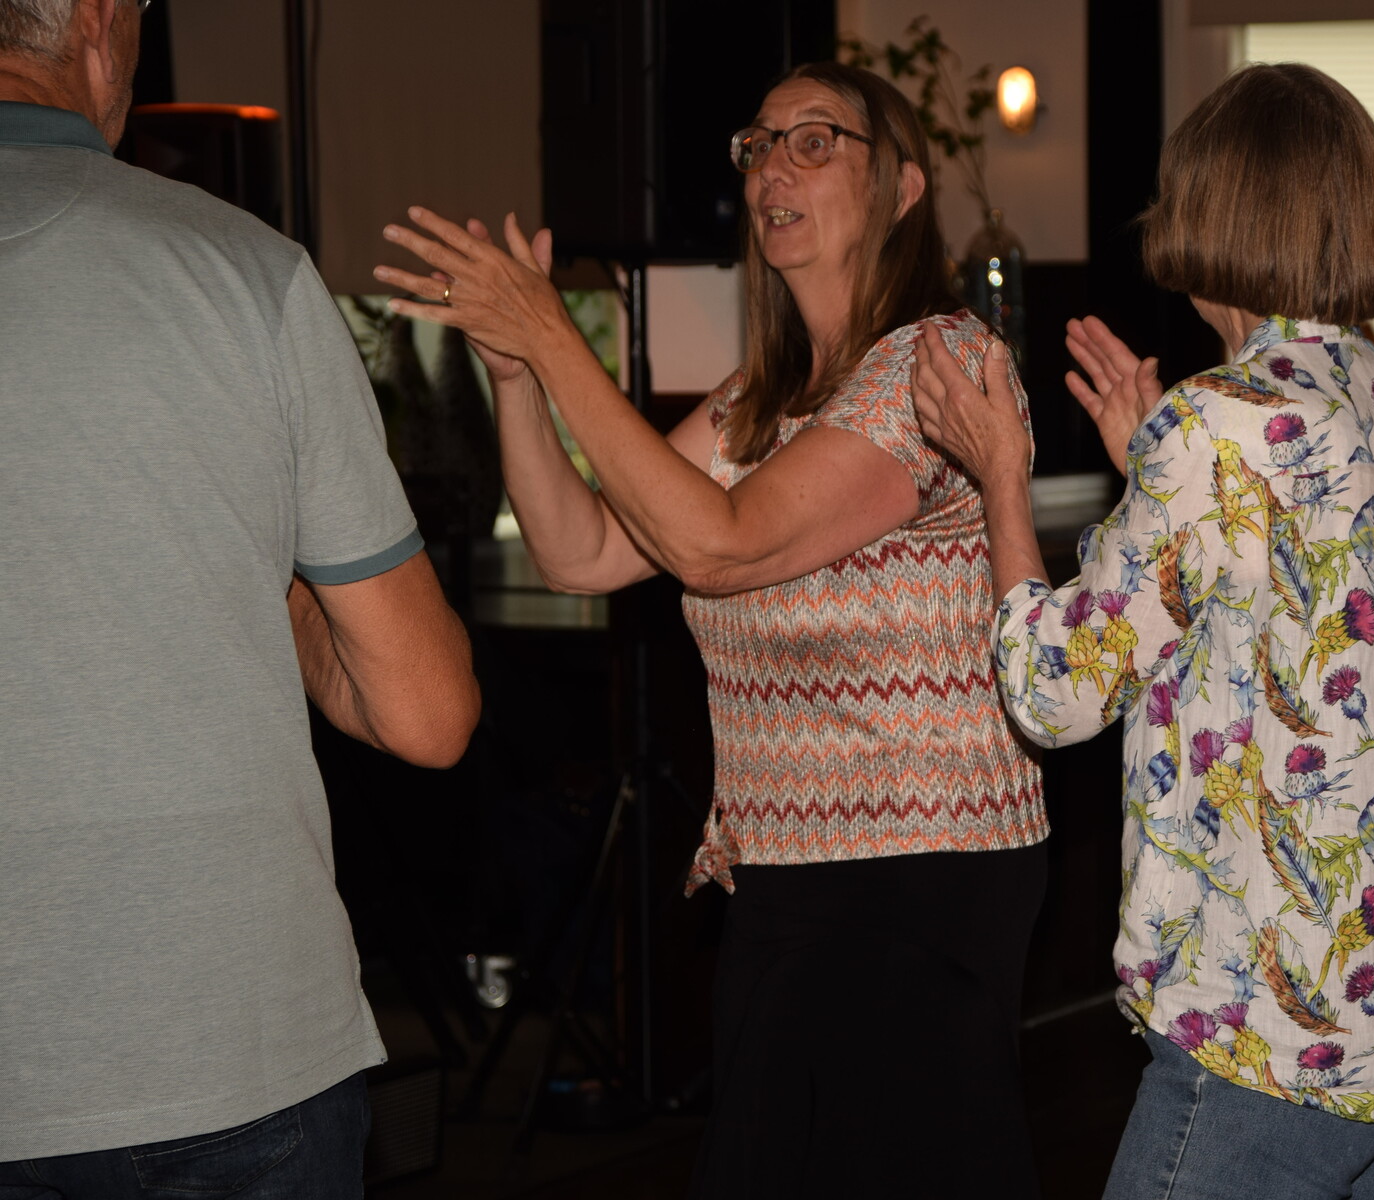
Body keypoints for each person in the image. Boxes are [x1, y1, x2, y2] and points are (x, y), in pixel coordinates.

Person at [374, 61, 1048, 1199]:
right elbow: (583, 552)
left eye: (816, 140)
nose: (775, 167)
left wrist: (555, 333)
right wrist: (519, 378)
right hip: (785, 879)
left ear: (901, 189)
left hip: (917, 878)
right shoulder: (760, 400)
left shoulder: (936, 369)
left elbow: (719, 545)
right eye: (759, 144)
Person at [914, 62, 1374, 1199]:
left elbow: (1052, 692)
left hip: (1269, 1046)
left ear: (1205, 211)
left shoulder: (1219, 426)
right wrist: (1156, 460)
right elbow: (1281, 608)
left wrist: (999, 475)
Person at [0, 0, 481, 1195]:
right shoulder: (242, 272)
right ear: (99, 20)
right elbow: (427, 713)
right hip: (226, 1043)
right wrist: (246, 557)